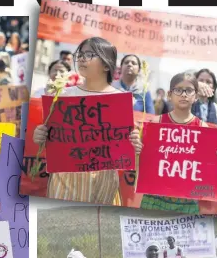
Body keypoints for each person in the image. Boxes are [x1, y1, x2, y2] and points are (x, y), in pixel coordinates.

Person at [33, 36, 141, 205]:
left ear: (107, 64)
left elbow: (126, 147)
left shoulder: (122, 101)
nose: (82, 58)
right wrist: (40, 136)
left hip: (104, 181)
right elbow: (50, 140)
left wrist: (134, 143)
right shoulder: (62, 96)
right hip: (66, 180)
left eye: (90, 54)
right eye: (80, 54)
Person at [139, 72, 217, 213]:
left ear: (195, 97)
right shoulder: (155, 124)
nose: (183, 94)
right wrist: (137, 147)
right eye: (178, 90)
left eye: (188, 91)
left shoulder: (203, 128)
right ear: (169, 95)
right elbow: (142, 162)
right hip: (154, 200)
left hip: (187, 204)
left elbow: (208, 169)